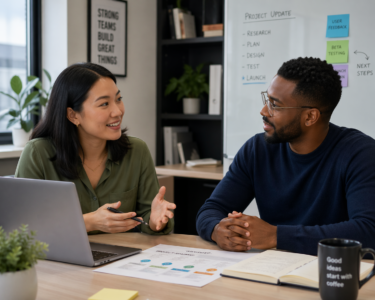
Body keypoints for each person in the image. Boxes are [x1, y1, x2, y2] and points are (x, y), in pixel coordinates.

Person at [196, 57, 375, 255]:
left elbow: (368, 230)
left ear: (310, 117)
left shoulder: (360, 153)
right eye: (267, 100)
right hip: (274, 270)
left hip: (335, 273)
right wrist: (217, 230)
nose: (264, 111)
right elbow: (211, 209)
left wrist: (276, 236)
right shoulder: (256, 149)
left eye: (275, 105)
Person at [16, 63, 176, 235]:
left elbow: (146, 217)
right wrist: (88, 222)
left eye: (118, 99)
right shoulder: (37, 153)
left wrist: (153, 221)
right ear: (73, 115)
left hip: (123, 257)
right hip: (59, 259)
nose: (117, 111)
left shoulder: (137, 150)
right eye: (104, 104)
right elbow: (21, 226)